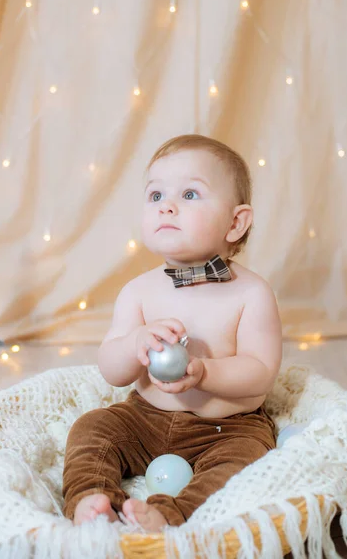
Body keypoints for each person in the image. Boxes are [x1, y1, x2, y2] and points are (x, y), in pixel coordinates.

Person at [62, 134, 282, 532]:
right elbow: (113, 371)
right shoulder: (139, 290)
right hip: (144, 418)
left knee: (246, 462)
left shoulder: (251, 292)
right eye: (155, 194)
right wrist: (133, 344)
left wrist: (205, 373)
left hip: (227, 428)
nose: (167, 205)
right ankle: (91, 497)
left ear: (236, 222)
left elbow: (261, 370)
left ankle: (171, 513)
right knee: (92, 428)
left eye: (190, 194)